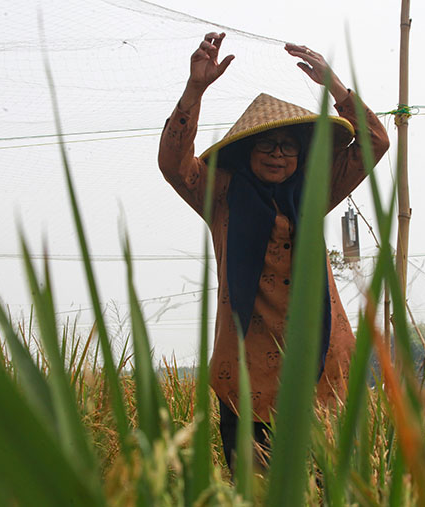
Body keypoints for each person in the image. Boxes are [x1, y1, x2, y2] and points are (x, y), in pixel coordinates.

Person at [157, 32, 390, 471]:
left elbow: (375, 142)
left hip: (322, 368)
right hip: (246, 374)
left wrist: (337, 89)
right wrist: (195, 89)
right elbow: (174, 164)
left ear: (302, 156)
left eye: (289, 146)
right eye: (266, 145)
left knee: (329, 486)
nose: (278, 155)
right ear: (247, 152)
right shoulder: (222, 196)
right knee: (256, 486)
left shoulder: (316, 192)